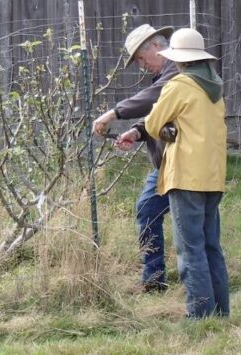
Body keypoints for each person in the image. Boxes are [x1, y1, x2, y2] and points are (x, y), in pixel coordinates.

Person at [144, 28, 229, 318]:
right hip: (212, 176)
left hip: (186, 176)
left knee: (189, 249)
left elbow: (153, 123)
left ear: (179, 60)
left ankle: (199, 316)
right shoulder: (215, 88)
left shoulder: (179, 85)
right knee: (211, 247)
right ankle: (220, 313)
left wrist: (168, 129)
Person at [93, 24, 177, 292]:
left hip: (182, 162)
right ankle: (154, 282)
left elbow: (156, 96)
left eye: (141, 58)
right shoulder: (165, 72)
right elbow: (159, 114)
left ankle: (197, 293)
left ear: (156, 46)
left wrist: (113, 114)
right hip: (166, 163)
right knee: (147, 211)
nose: (142, 66)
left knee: (191, 228)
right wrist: (137, 132)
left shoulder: (177, 69)